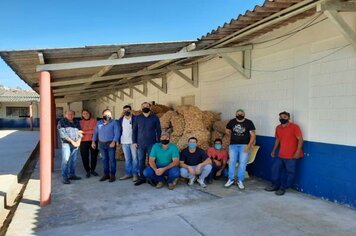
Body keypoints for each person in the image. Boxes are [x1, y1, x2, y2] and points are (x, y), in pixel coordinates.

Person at [265, 111, 303, 196]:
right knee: (275, 170)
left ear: (288, 118)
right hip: (281, 154)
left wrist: (297, 152)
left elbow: (300, 139)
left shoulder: (294, 127)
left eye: (285, 117)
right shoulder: (278, 127)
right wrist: (274, 150)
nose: (282, 118)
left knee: (290, 173)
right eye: (281, 117)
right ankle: (275, 185)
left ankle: (283, 188)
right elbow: (277, 139)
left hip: (292, 156)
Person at [225, 109, 256, 190]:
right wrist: (228, 133)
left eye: (241, 114)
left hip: (244, 146)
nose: (240, 115)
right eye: (238, 113)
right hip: (233, 145)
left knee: (242, 163)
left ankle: (240, 180)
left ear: (244, 114)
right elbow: (227, 129)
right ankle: (230, 179)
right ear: (235, 114)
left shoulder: (249, 122)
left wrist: (249, 146)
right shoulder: (232, 122)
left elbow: (253, 135)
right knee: (232, 162)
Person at [132, 102, 161, 186]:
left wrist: (158, 142)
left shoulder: (154, 118)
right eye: (143, 106)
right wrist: (134, 142)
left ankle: (152, 178)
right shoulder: (138, 118)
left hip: (152, 143)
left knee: (152, 161)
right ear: (141, 108)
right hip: (140, 144)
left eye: (147, 106)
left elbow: (158, 130)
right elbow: (134, 131)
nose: (145, 107)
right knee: (141, 161)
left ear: (150, 107)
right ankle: (142, 178)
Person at [92, 109, 119, 182]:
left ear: (111, 115)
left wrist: (114, 142)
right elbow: (95, 133)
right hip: (101, 144)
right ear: (102, 115)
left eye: (108, 115)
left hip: (111, 144)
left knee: (112, 160)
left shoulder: (114, 123)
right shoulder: (99, 123)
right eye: (105, 115)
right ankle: (106, 174)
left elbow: (117, 133)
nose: (107, 116)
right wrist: (93, 141)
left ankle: (112, 175)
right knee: (104, 160)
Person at [57, 110, 82, 184]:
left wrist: (79, 141)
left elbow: (80, 132)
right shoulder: (61, 122)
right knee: (66, 160)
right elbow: (63, 134)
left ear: (74, 115)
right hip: (66, 144)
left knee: (73, 160)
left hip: (75, 143)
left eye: (72, 114)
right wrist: (73, 142)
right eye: (68, 114)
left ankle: (72, 175)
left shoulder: (76, 122)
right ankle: (65, 177)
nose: (70, 115)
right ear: (65, 115)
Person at [117, 105, 138, 182]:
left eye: (128, 110)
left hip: (133, 142)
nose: (126, 111)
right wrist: (118, 140)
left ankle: (135, 174)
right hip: (124, 141)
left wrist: (136, 141)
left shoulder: (135, 118)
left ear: (131, 110)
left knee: (135, 159)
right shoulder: (120, 120)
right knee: (127, 159)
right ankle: (128, 173)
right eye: (124, 110)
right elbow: (118, 130)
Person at [79, 109, 99, 178]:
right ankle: (87, 170)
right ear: (82, 115)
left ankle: (93, 170)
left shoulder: (94, 120)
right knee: (84, 156)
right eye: (84, 113)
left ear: (89, 114)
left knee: (94, 156)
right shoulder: (80, 122)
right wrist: (89, 131)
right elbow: (78, 131)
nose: (85, 115)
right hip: (83, 141)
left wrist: (84, 132)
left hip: (93, 140)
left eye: (87, 113)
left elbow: (95, 131)